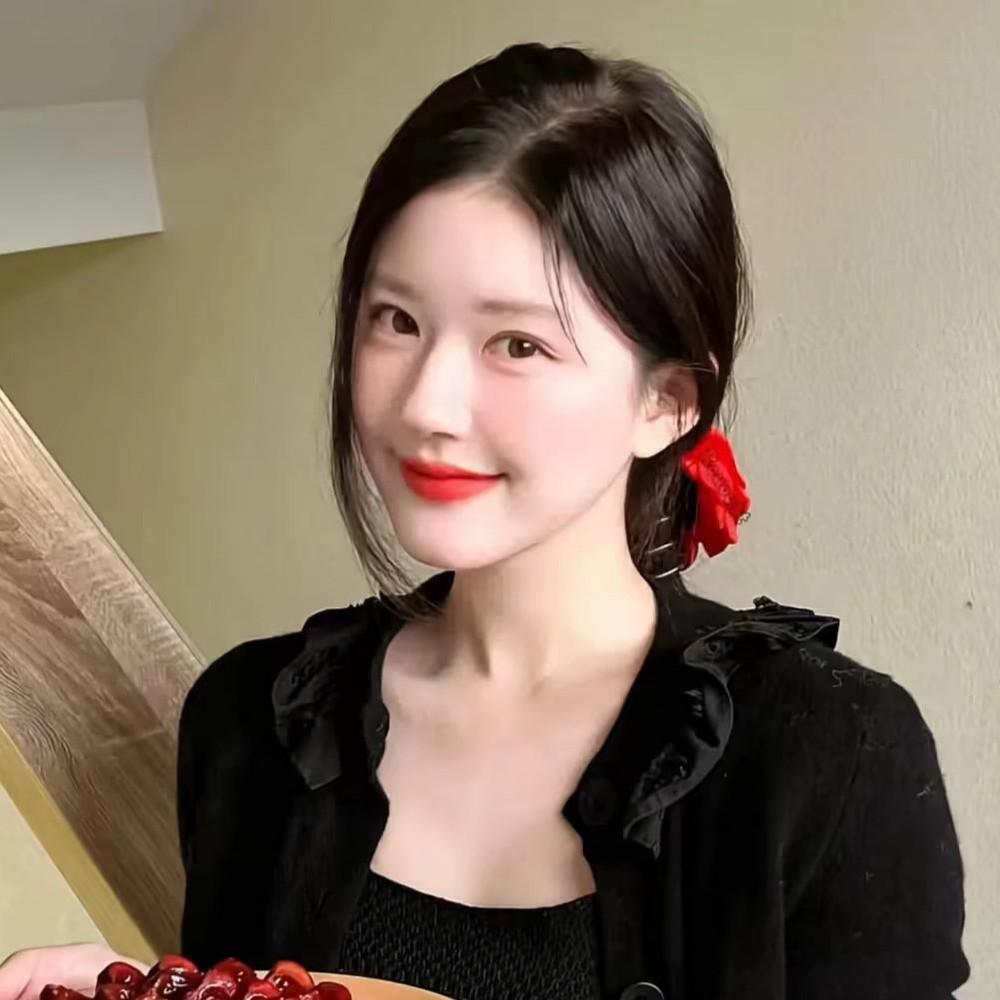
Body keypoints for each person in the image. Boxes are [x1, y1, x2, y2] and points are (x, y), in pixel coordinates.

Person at [0, 41, 968, 1000]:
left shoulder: (834, 757)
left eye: (517, 344)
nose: (428, 404)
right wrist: (159, 990)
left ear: (666, 402)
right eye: (396, 320)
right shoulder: (251, 724)